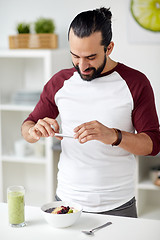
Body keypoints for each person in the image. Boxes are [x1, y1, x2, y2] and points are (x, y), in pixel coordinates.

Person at [21, 7, 160, 218]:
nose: (82, 65)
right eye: (75, 56)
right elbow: (27, 125)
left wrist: (114, 136)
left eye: (91, 57)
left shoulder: (135, 83)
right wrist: (34, 131)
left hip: (118, 205)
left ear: (109, 48)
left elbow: (153, 144)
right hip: (65, 203)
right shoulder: (60, 82)